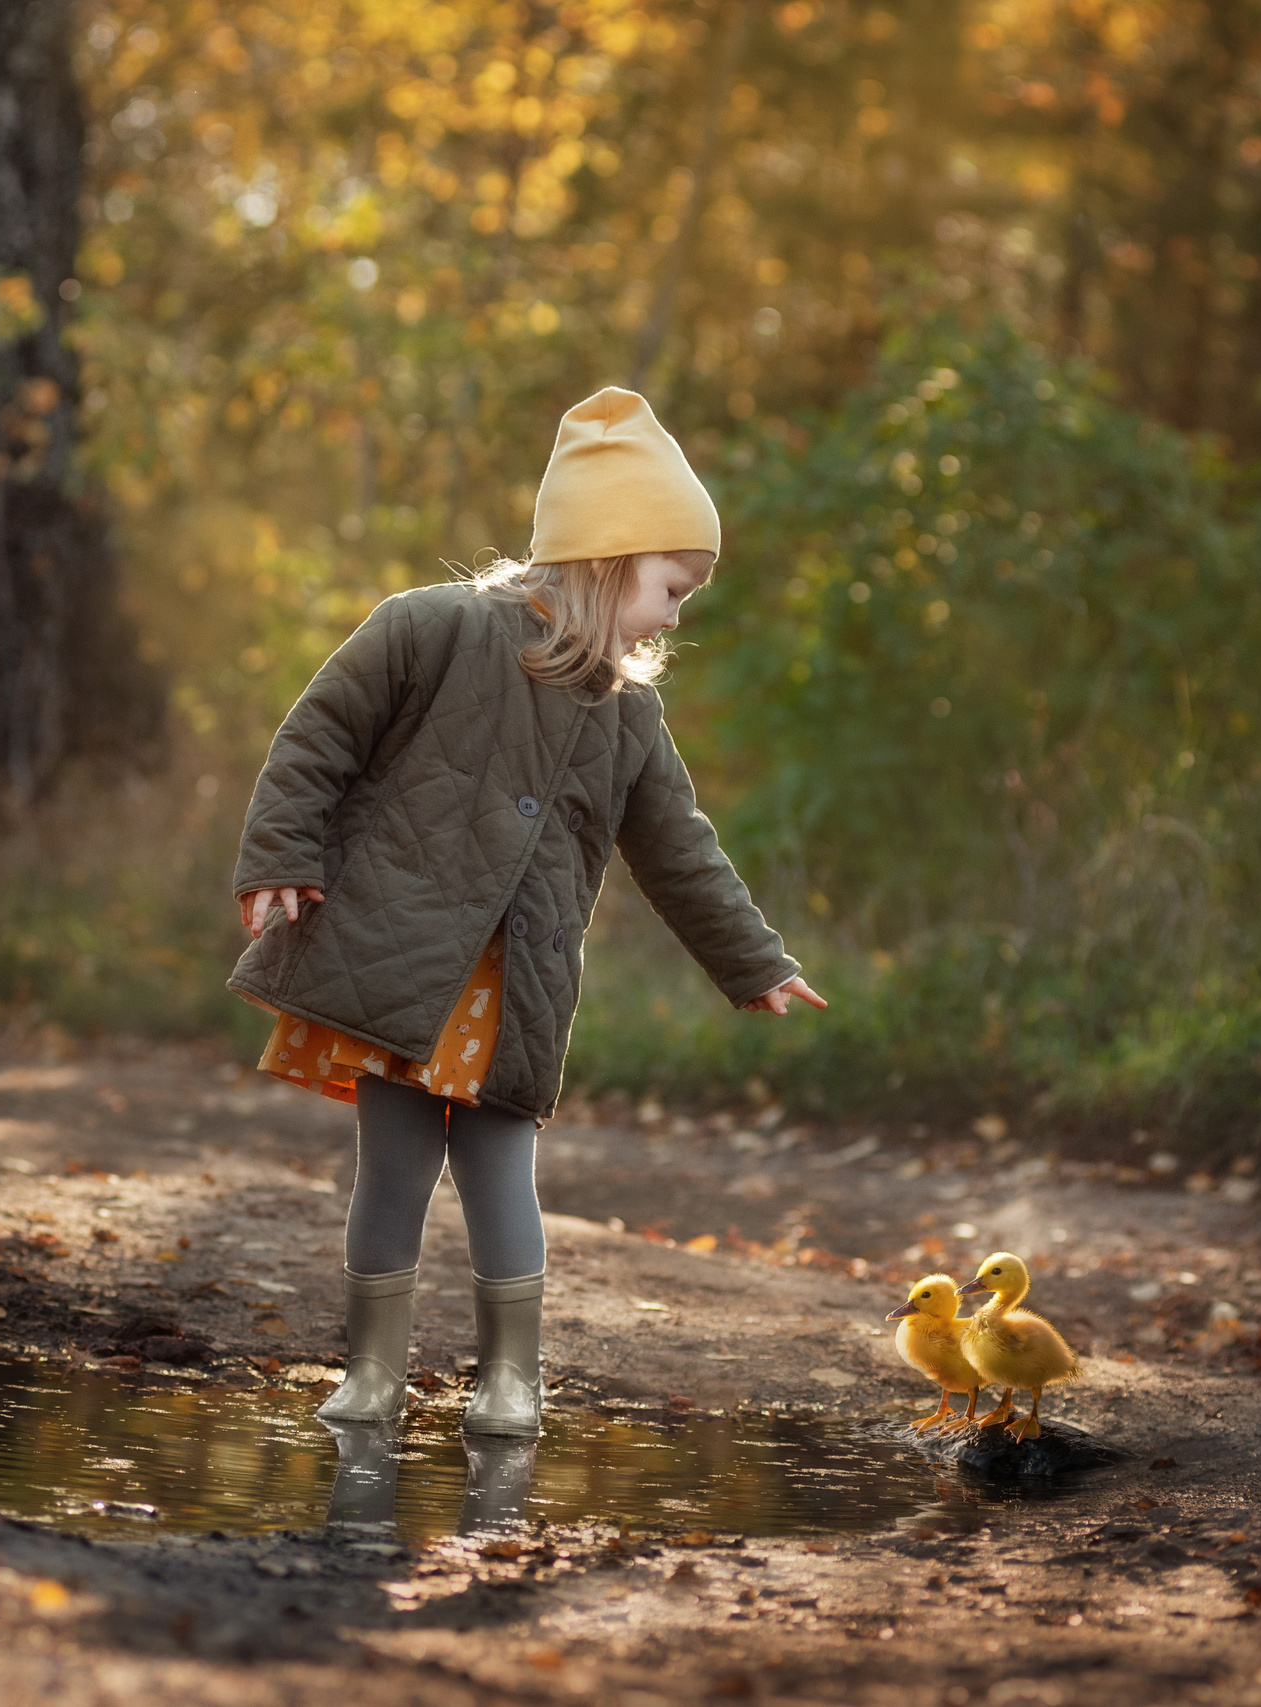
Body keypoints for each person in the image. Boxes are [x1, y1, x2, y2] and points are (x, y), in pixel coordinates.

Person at [227, 386, 825, 1437]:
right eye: (672, 587)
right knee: (394, 1171)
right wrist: (280, 856)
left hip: (517, 990)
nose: (677, 615)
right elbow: (314, 740)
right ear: (608, 556)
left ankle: (512, 1382)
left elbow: (677, 846)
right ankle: (372, 1374)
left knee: (503, 1172)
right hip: (400, 972)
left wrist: (753, 960)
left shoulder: (625, 711)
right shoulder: (431, 630)